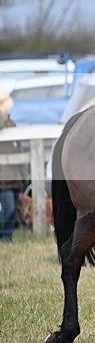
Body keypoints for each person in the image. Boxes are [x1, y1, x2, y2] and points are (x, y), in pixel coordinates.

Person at [0, 92, 26, 242]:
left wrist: (23, 174)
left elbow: (19, 148)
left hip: (14, 175)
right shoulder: (3, 122)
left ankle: (7, 237)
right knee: (8, 208)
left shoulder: (12, 124)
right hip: (4, 176)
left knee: (13, 209)